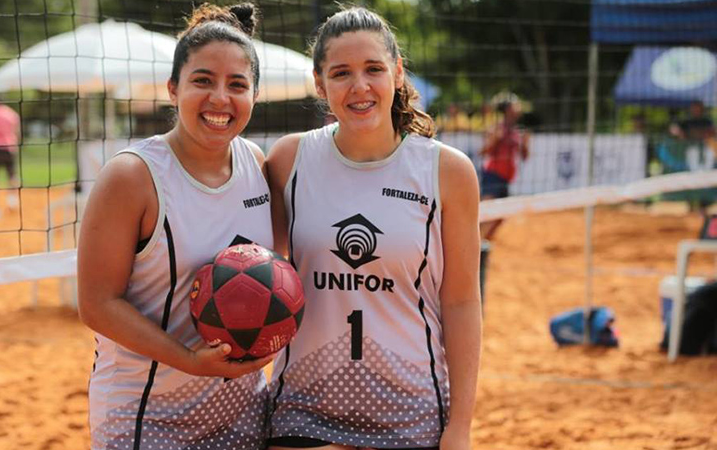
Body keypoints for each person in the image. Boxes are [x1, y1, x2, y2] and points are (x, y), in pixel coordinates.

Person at [265, 7, 481, 450]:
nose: (360, 86)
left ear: (398, 74)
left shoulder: (446, 170)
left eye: (374, 69)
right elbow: (252, 269)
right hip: (304, 409)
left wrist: (460, 426)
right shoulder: (289, 161)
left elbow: (460, 301)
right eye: (341, 73)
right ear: (320, 84)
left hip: (411, 410)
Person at [77, 4, 274, 450]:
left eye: (237, 85)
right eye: (202, 81)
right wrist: (188, 359)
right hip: (148, 416)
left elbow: (270, 276)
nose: (220, 99)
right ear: (173, 88)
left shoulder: (257, 164)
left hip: (241, 408)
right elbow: (97, 303)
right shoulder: (132, 176)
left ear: (255, 97)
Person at [479, 98, 529, 240]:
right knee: (486, 214)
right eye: (516, 105)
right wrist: (495, 139)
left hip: (505, 178)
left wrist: (525, 144)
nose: (519, 108)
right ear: (508, 110)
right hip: (492, 176)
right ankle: (476, 248)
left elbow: (525, 156)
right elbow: (482, 152)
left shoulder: (517, 132)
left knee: (500, 217)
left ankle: (483, 247)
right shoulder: (496, 128)